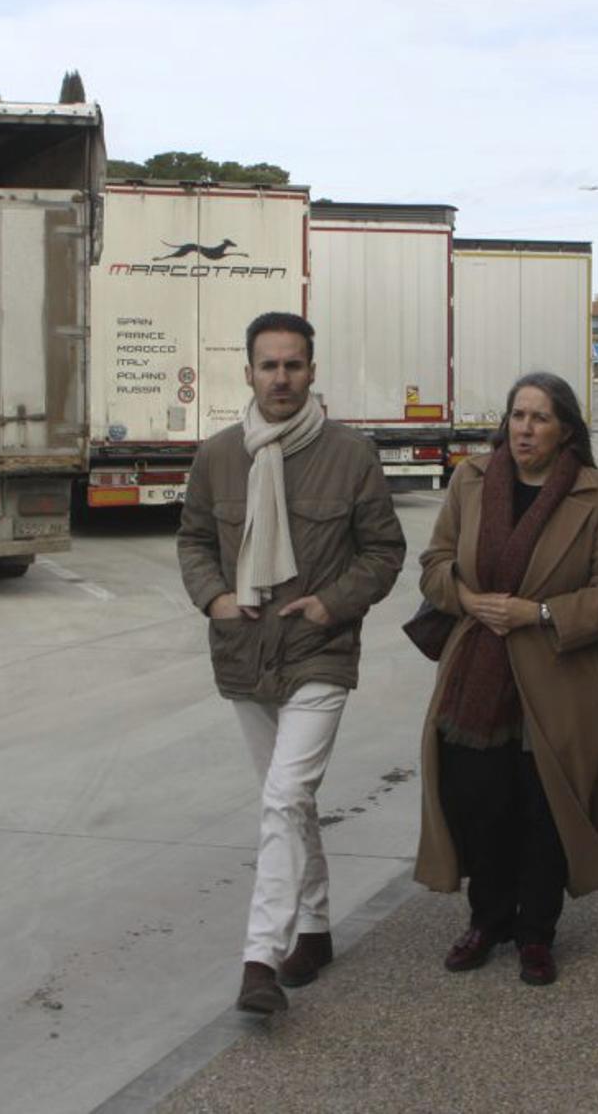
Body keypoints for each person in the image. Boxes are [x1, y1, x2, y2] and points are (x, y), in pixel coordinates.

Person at [177, 311, 405, 1014]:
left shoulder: (350, 453)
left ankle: (259, 960)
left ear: (312, 371)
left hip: (319, 652)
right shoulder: (218, 455)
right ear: (247, 372)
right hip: (244, 655)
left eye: (293, 365)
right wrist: (213, 597)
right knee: (290, 800)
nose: (281, 377)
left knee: (281, 799)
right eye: (268, 365)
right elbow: (192, 541)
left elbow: (383, 552)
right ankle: (314, 927)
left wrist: (331, 605)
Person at [413, 372, 598, 986]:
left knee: (547, 806)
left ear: (565, 428)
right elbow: (434, 563)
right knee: (480, 801)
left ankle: (538, 931)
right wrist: (465, 597)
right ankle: (488, 920)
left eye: (540, 418)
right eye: (517, 415)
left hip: (561, 676)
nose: (525, 429)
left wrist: (537, 613)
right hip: (477, 670)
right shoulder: (471, 480)